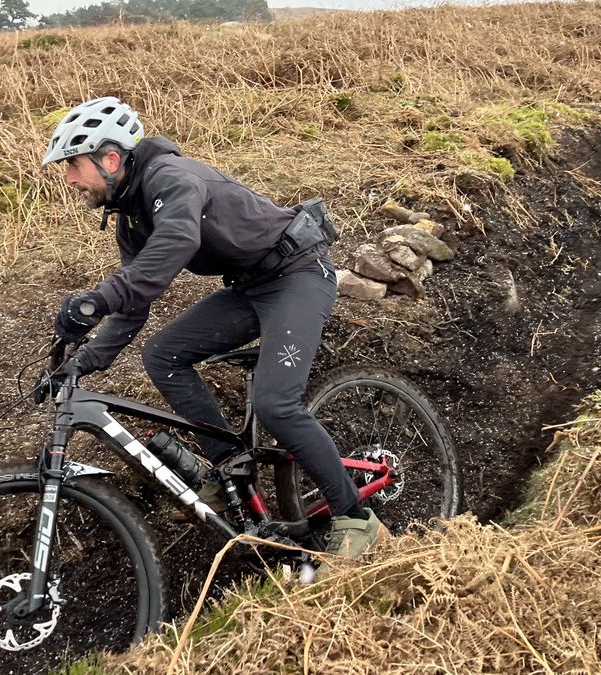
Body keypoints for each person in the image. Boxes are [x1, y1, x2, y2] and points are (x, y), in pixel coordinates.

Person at [41, 96, 386, 568]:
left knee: (276, 403)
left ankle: (357, 518)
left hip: (299, 274)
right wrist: (85, 361)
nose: (69, 179)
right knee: (162, 354)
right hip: (253, 286)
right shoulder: (131, 217)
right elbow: (134, 303)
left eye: (73, 166)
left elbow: (177, 242)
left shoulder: (172, 178)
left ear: (111, 158)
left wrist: (94, 299)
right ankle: (231, 469)